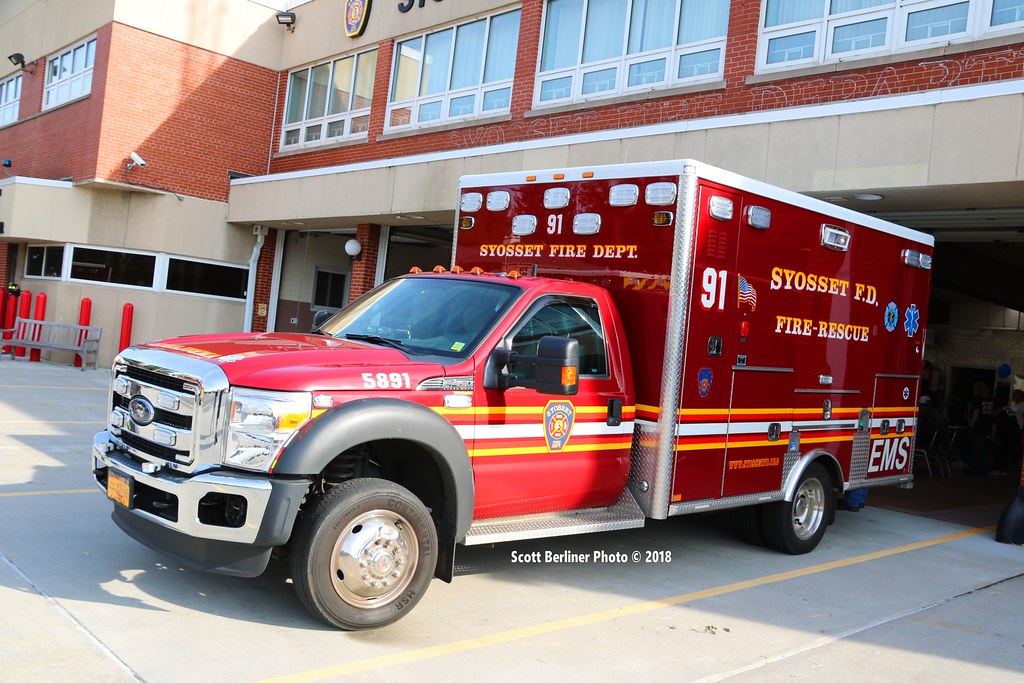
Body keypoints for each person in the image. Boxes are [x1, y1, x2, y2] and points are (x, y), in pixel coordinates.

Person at [965, 381, 995, 475]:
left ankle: (984, 469)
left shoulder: (978, 399)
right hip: (986, 425)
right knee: (977, 446)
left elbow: (976, 412)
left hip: (978, 425)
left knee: (980, 448)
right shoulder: (990, 399)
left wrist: (971, 423)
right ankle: (970, 467)